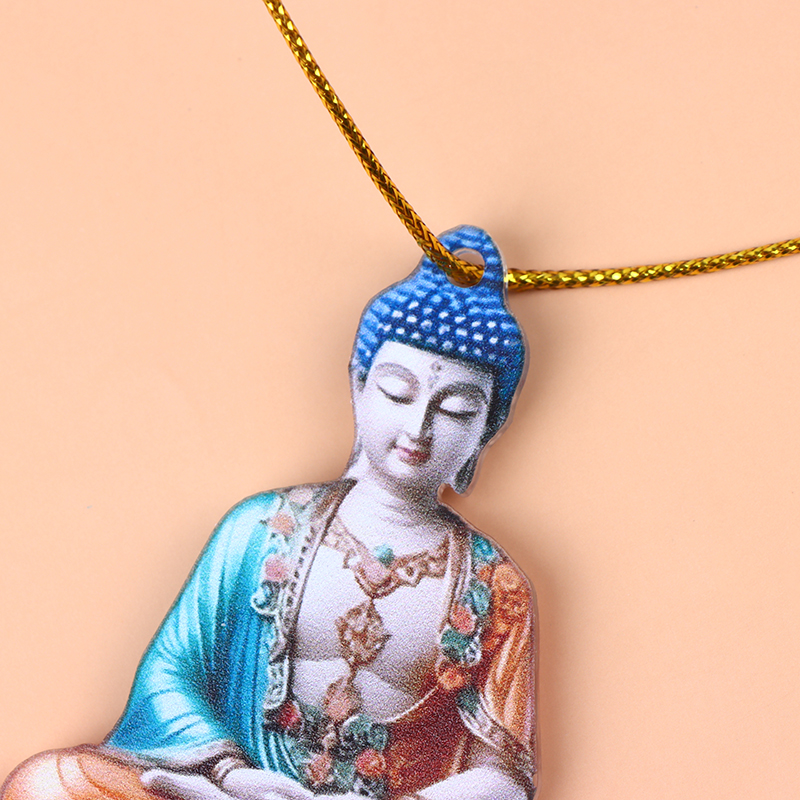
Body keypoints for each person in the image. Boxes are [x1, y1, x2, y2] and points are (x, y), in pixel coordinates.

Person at [2, 226, 536, 800]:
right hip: (233, 788)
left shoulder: (494, 584)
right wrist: (231, 776)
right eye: (397, 393)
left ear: (488, 427)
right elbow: (170, 674)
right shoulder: (262, 528)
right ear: (358, 387)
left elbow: (505, 775)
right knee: (46, 785)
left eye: (455, 410)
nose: (418, 428)